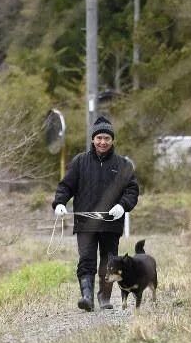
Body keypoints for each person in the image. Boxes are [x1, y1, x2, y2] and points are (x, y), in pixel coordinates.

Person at [52, 116, 139, 311]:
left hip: (111, 224)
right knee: (87, 259)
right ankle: (87, 297)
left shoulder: (123, 164)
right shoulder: (80, 162)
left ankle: (104, 297)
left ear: (112, 140)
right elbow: (66, 186)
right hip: (85, 224)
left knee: (109, 262)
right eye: (99, 137)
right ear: (93, 139)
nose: (102, 142)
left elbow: (132, 191)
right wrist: (59, 202)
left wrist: (122, 206)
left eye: (107, 138)